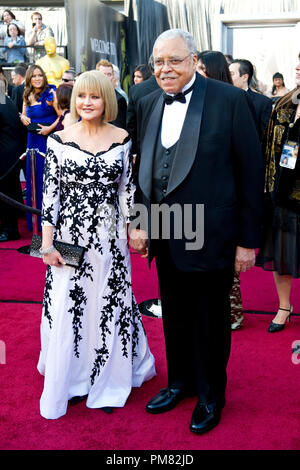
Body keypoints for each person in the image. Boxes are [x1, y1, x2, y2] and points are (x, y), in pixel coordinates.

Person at [129, 29, 264, 434]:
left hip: (213, 232)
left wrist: (247, 240)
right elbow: (143, 170)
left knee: (209, 319)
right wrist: (140, 223)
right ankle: (180, 383)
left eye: (173, 60)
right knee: (175, 315)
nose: (164, 69)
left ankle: (210, 395)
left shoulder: (231, 100)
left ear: (193, 60)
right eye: (158, 62)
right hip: (167, 230)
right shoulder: (148, 101)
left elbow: (250, 173)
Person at [37, 70, 155, 420]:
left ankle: (109, 378)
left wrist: (136, 228)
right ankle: (72, 380)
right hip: (69, 236)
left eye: (95, 96)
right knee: (68, 305)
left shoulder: (122, 138)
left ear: (107, 100)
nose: (87, 103)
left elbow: (126, 190)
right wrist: (46, 245)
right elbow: (50, 196)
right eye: (82, 97)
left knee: (106, 303)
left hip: (110, 237)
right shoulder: (59, 139)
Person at [256, 53, 300, 333]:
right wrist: (267, 186)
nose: (298, 66)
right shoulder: (284, 103)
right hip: (282, 192)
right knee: (282, 253)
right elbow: (271, 149)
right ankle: (284, 306)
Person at [20, 64, 59, 231]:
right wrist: (22, 118)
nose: (37, 78)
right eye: (33, 76)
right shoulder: (27, 95)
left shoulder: (51, 93)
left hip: (48, 142)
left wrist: (49, 129)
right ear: (29, 78)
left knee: (48, 182)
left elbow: (63, 115)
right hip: (32, 143)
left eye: (39, 75)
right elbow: (24, 114)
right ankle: (37, 227)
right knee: (33, 181)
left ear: (44, 77)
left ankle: (51, 225)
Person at [0, 76, 23, 241]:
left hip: (5, 155)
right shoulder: (4, 100)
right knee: (11, 190)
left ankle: (10, 230)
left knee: (6, 192)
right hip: (12, 153)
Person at [96, 59, 127, 129]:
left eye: (109, 74)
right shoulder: (91, 96)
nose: (106, 77)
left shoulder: (118, 100)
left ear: (113, 76)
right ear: (97, 75)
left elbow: (119, 129)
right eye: (103, 74)